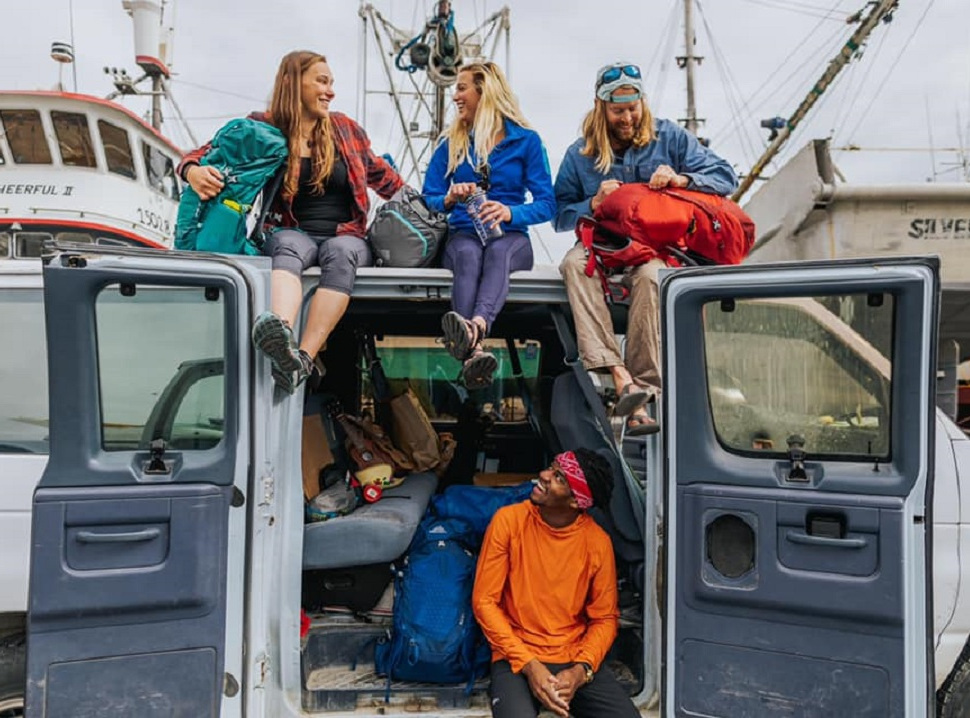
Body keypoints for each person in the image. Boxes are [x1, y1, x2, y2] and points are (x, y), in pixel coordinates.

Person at [179, 50, 406, 393]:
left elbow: (390, 183)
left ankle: (302, 360)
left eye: (331, 83)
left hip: (346, 234)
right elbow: (204, 153)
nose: (330, 91)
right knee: (285, 246)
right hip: (291, 229)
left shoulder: (345, 130)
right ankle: (280, 334)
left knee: (340, 254)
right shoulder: (262, 126)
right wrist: (192, 171)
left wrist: (437, 208)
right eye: (322, 81)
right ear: (292, 81)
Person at [555, 61, 738, 434]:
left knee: (654, 278)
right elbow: (558, 215)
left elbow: (726, 177)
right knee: (573, 263)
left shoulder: (670, 137)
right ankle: (618, 374)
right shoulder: (579, 154)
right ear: (601, 107)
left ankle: (642, 391)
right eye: (618, 111)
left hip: (654, 249)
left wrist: (681, 179)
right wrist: (592, 203)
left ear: (642, 102)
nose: (627, 118)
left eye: (633, 108)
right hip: (601, 247)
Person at [472, 448, 638, 718]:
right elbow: (484, 602)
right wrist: (530, 666)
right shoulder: (508, 521)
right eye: (551, 466)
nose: (544, 475)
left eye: (559, 477)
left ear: (576, 502)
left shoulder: (597, 542)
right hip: (515, 654)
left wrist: (580, 671)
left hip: (572, 656)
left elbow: (605, 618)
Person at [423, 61, 555, 388]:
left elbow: (547, 204)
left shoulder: (526, 141)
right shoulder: (450, 143)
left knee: (497, 254)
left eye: (462, 88)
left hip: (511, 238)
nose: (455, 96)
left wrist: (510, 212)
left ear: (485, 92)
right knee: (468, 256)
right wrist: (450, 198)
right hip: (463, 233)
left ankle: (475, 330)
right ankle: (476, 348)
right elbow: (428, 198)